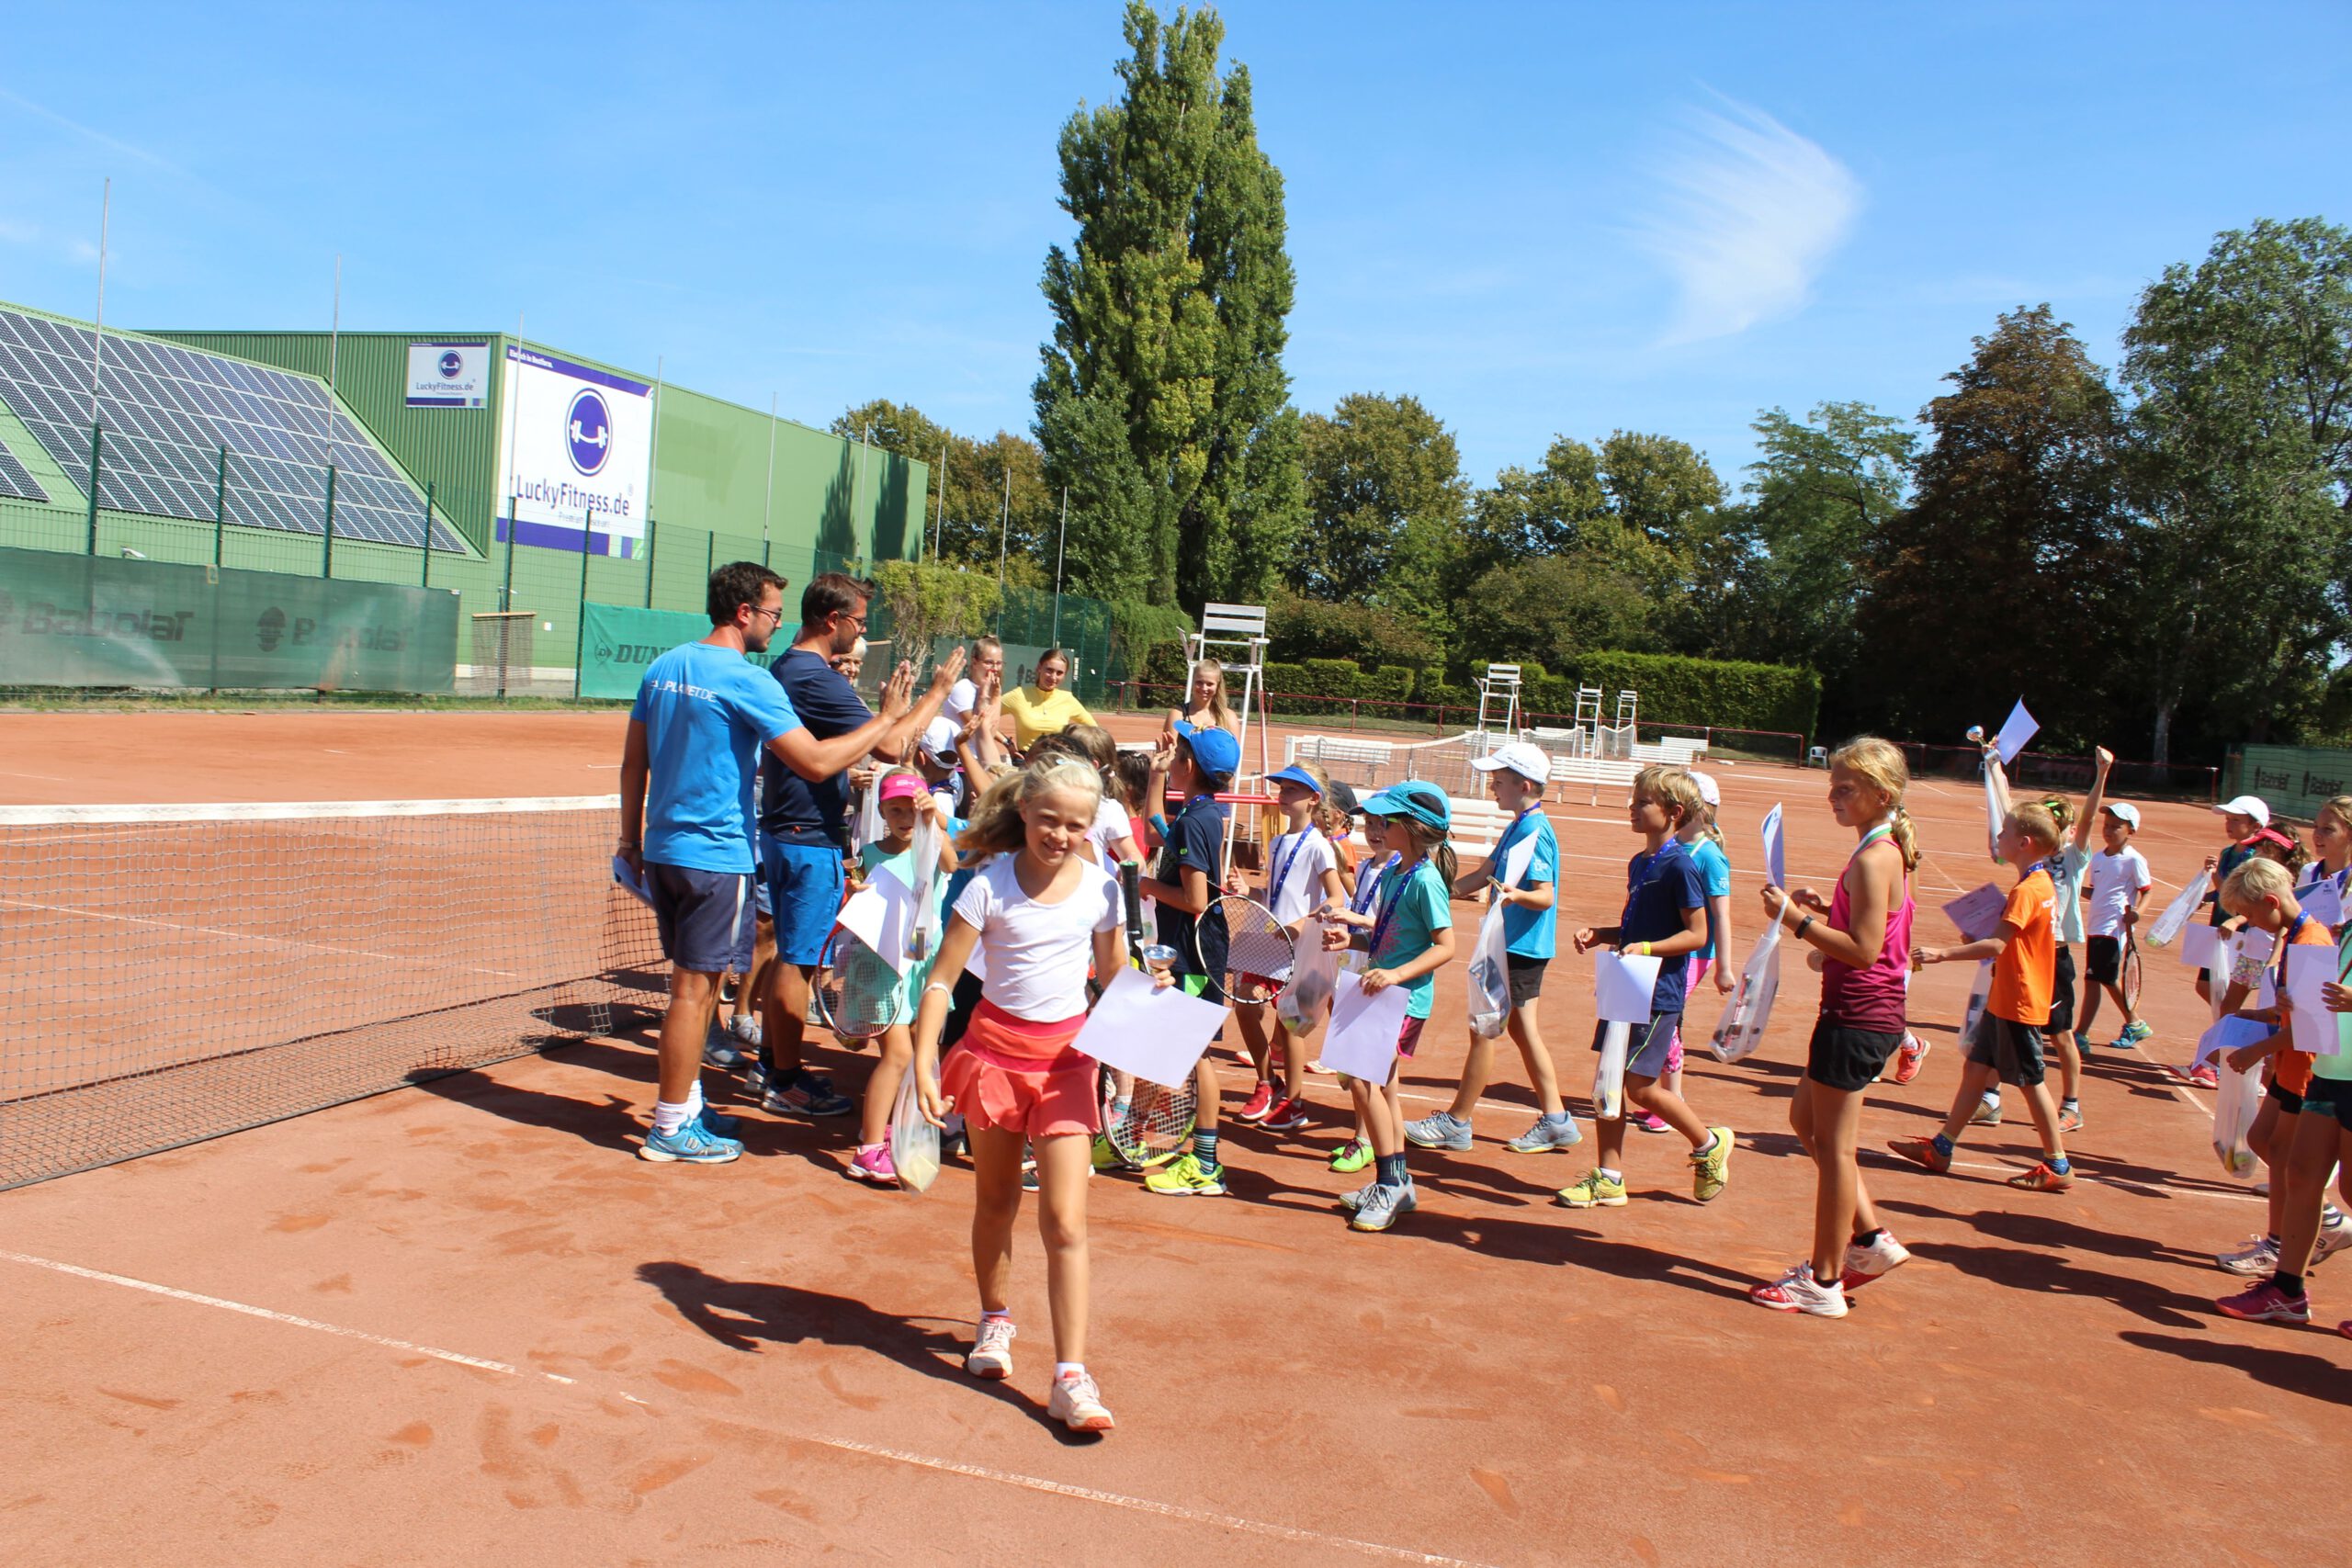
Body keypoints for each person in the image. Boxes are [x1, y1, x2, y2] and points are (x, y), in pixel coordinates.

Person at [617, 561, 916, 1165]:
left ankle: (688, 1101)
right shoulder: (747, 680)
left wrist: (629, 841)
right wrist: (886, 719)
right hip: (715, 855)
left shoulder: (664, 666)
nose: (778, 627)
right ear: (744, 613)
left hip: (662, 850)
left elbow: (633, 763)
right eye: (774, 614)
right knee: (693, 994)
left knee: (694, 989)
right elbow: (811, 760)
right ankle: (671, 1125)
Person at [911, 757, 1168, 1432]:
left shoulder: (1102, 892)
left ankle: (1070, 1376)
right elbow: (940, 981)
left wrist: (1153, 998)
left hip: (1065, 1067)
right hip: (993, 1057)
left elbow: (1112, 978)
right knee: (995, 1200)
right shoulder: (984, 887)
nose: (1059, 833)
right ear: (1023, 810)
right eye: (1048, 819)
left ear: (1093, 828)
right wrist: (923, 1060)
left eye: (1075, 824)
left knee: (1065, 1222)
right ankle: (995, 1322)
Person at [754, 573, 964, 1121]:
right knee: (799, 961)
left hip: (789, 831)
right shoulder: (813, 675)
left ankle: (772, 1062)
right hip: (806, 835)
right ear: (833, 622)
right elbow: (893, 745)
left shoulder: (790, 667)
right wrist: (936, 694)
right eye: (861, 623)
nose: (863, 633)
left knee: (788, 953)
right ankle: (785, 1080)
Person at [1747, 738, 1919, 1317]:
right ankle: (1870, 1240)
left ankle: (1823, 1281)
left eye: (1845, 788)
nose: (1832, 797)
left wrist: (1797, 922)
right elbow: (1875, 931)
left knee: (1838, 1151)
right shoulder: (1880, 850)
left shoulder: (1876, 857)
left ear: (1881, 793)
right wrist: (1824, 914)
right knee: (1804, 1120)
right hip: (1859, 1015)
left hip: (1859, 1018)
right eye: (1833, 785)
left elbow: (1866, 950)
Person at [1557, 766, 1736, 1211]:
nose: (1632, 809)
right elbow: (1638, 928)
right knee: (1609, 1080)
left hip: (1658, 993)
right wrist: (1603, 933)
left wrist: (1648, 948)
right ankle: (1609, 1177)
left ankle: (1708, 1141)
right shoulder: (1640, 862)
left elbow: (1696, 934)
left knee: (1638, 1087)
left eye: (1641, 803)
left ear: (1673, 813)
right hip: (1625, 984)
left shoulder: (1682, 866)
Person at [1406, 741, 1579, 1156]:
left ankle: (1457, 1122)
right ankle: (1556, 1120)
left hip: (1518, 947)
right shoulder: (1520, 823)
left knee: (1484, 1029)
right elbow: (1485, 872)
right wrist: (1439, 893)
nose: (1492, 789)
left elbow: (1545, 896)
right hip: (1513, 944)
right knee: (1520, 1029)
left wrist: (1515, 895)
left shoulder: (1535, 831)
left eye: (1498, 782)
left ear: (1524, 785)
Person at [1889, 803, 2074, 1191]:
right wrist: (1979, 939)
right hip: (2006, 995)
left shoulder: (2028, 889)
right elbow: (2009, 940)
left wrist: (1942, 953)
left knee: (2030, 1081)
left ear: (2024, 843)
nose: (1998, 837)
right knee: (1976, 1070)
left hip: (2018, 1000)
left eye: (2004, 832)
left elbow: (1999, 944)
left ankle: (2057, 1164)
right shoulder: (2036, 884)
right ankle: (1942, 1147)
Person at [1320, 782, 1458, 1232]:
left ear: (1412, 828)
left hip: (1403, 999)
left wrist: (1397, 975)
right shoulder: (1399, 871)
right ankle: (1399, 1183)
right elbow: (1393, 933)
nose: (1374, 827)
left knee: (1365, 1085)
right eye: (1373, 820)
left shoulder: (1425, 879)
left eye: (1385, 821)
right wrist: (1355, 938)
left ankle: (1390, 1182)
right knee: (1378, 1089)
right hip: (1383, 996)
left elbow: (1446, 945)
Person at [2214, 857, 2345, 1326]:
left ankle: (2302, 1246)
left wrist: (2259, 1051)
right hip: (2309, 1068)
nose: (2249, 924)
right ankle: (2289, 1274)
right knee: (2282, 1157)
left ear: (2270, 901)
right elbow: (2301, 1010)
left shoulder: (2312, 940)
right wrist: (2266, 1019)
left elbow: (2314, 1023)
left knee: (2312, 1175)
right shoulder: (2301, 937)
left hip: (2315, 1069)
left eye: (2250, 915)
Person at [1974, 743, 2110, 1134]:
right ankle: (1990, 1098)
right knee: (2002, 1022)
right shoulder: (2030, 861)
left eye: (2064, 822)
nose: (2066, 827)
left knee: (2059, 1034)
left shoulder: (2073, 857)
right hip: (2023, 954)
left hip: (2055, 957)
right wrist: (1994, 767)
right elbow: (2007, 807)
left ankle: (2072, 1103)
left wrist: (2101, 775)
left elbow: (2086, 821)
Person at [1137, 723, 1242, 1197]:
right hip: (1184, 950)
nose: (1173, 756)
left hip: (1197, 955)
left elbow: (1196, 899)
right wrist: (1156, 775)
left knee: (1195, 1054)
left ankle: (1205, 1163)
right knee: (1162, 1046)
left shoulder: (1199, 821)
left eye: (1177, 753)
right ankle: (1134, 1138)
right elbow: (1155, 827)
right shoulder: (1197, 812)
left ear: (1192, 766)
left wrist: (1146, 886)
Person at [845, 771, 961, 1186]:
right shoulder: (868, 853)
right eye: (895, 809)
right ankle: (868, 1150)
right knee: (896, 1056)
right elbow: (853, 894)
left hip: (923, 967)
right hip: (882, 968)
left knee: (915, 1052)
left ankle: (886, 1127)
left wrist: (935, 820)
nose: (905, 816)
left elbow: (953, 862)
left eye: (912, 808)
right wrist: (851, 889)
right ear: (882, 812)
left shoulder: (933, 846)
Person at [1234, 761, 1347, 1133]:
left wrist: (1303, 923)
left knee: (1292, 1021)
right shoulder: (1277, 841)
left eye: (1292, 790)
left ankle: (1294, 1102)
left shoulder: (1319, 847)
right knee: (1244, 1003)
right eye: (1282, 788)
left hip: (1300, 946)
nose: (1283, 795)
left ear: (1314, 799)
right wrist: (1248, 891)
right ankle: (1268, 1082)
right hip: (1272, 939)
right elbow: (1274, 892)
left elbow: (1336, 897)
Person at [1640, 769, 1736, 1134]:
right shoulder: (1674, 849)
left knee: (1667, 1025)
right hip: (1668, 951)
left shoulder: (1708, 856)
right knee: (1662, 1021)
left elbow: (1721, 916)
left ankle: (1670, 1101)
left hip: (1692, 954)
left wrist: (1724, 967)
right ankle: (1661, 1096)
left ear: (1698, 809)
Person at [2075, 791, 2154, 1052]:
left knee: (2105, 980)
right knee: (2095, 980)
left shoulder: (2134, 859)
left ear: (2131, 830)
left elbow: (2147, 891)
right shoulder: (2097, 858)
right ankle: (2090, 1032)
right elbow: (2095, 892)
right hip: (2096, 926)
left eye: (2116, 827)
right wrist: (2072, 889)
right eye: (2106, 826)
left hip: (2113, 929)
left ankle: (2131, 1023)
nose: (2109, 831)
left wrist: (2138, 913)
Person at [1000, 647, 1097, 753]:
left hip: (1057, 763)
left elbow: (1094, 729)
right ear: (1039, 668)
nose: (1053, 677)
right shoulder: (1019, 695)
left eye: (1059, 673)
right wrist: (1007, 743)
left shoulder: (1068, 699)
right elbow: (984, 716)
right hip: (1027, 762)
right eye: (1049, 670)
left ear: (1065, 675)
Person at [1161, 658, 1238, 741]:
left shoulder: (1228, 717)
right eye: (1199, 682)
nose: (1204, 688)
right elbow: (1169, 751)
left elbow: (1233, 753)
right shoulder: (1177, 715)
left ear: (1218, 685)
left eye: (1210, 684)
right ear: (1192, 681)